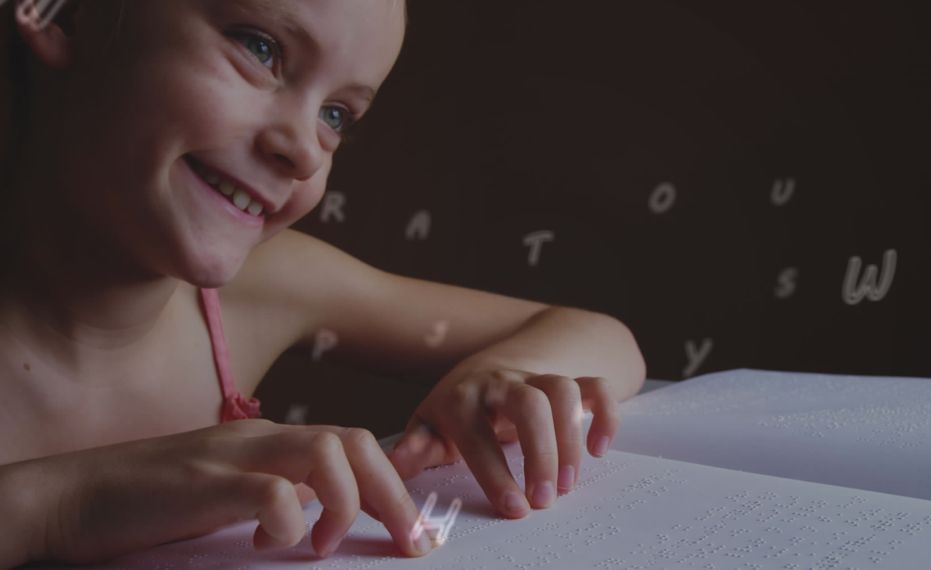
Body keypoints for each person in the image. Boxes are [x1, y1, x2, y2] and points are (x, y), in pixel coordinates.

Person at [0, 0, 647, 566]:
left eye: (337, 115)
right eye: (260, 48)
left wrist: (500, 375)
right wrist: (59, 504)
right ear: (67, 11)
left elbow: (604, 337)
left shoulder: (264, 287)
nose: (306, 150)